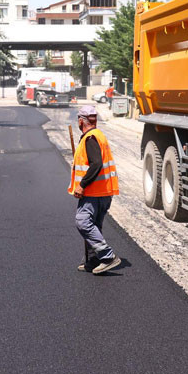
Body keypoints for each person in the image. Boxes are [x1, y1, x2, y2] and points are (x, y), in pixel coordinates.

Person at [69, 104, 122, 274]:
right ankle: (93, 261)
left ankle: (107, 256)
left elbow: (96, 163)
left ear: (80, 121)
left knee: (83, 222)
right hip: (104, 191)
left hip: (93, 192)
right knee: (95, 227)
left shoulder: (90, 138)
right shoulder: (98, 135)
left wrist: (82, 185)